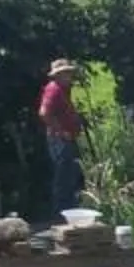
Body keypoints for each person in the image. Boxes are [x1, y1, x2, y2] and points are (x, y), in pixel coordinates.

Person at [39, 59, 87, 215]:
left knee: (70, 173)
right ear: (58, 75)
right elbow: (44, 113)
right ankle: (62, 211)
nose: (69, 76)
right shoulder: (53, 89)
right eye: (66, 73)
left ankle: (68, 209)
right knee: (64, 175)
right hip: (59, 139)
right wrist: (61, 131)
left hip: (66, 137)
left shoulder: (63, 90)